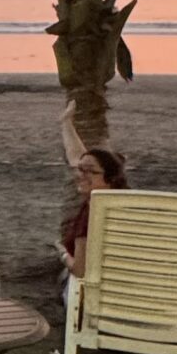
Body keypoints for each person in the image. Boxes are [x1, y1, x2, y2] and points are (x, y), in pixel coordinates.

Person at [58, 105, 129, 277]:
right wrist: (66, 123)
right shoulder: (126, 203)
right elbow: (77, 157)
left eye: (88, 170)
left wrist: (63, 254)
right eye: (80, 170)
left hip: (96, 291)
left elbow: (80, 270)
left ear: (110, 178)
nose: (80, 175)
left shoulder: (93, 213)